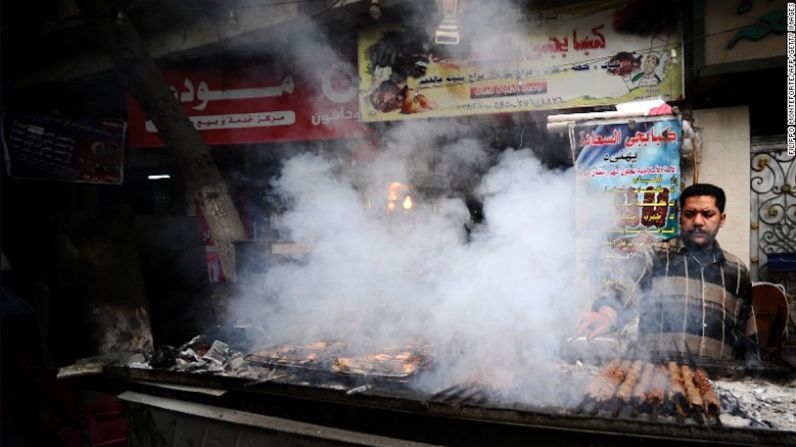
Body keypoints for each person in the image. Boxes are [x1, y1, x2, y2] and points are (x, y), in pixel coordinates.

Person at [577, 183, 759, 360]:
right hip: (657, 381)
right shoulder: (656, 255)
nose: (698, 221)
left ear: (722, 219)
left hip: (717, 383)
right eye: (690, 214)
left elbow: (747, 333)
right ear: (680, 218)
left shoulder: (736, 270)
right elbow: (624, 286)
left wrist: (753, 373)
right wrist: (607, 313)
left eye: (707, 214)